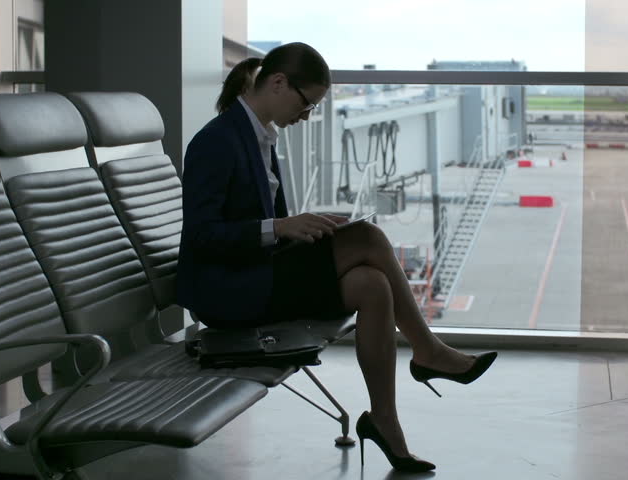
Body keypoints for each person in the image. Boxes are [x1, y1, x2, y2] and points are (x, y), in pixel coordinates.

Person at [175, 42, 497, 472]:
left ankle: (385, 421)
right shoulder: (216, 141)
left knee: (373, 284)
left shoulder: (260, 138)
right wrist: (282, 227)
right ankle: (428, 351)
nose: (307, 115)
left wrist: (299, 230)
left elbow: (264, 226)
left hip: (256, 273)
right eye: (307, 103)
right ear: (277, 83)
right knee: (366, 236)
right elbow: (200, 237)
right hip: (227, 292)